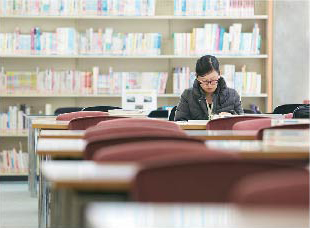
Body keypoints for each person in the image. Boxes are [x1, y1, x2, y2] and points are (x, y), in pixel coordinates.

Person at [175, 55, 243, 121]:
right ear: (197, 77)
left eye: (213, 80)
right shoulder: (187, 95)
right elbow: (180, 121)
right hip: (196, 132)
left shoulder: (233, 95)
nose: (209, 85)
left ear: (219, 74)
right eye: (204, 81)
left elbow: (242, 122)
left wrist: (231, 116)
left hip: (223, 132)